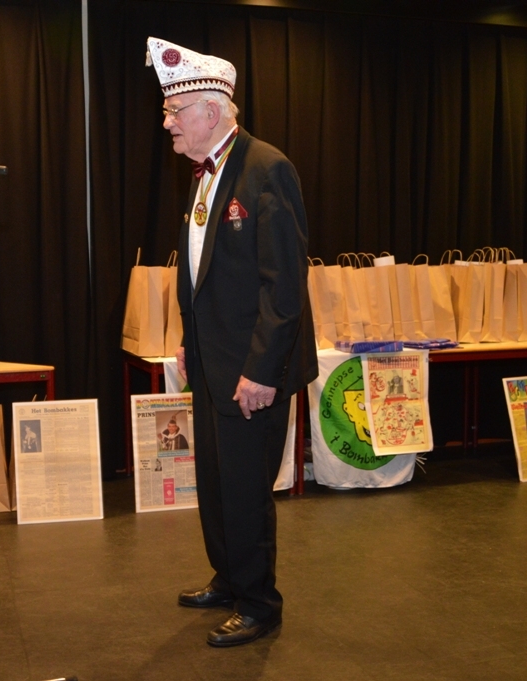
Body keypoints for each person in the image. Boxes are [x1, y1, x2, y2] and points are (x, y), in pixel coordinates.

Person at [147, 37, 317, 647]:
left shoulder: (267, 168)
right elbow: (203, 272)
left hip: (252, 367)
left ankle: (259, 603)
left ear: (212, 111)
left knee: (246, 491)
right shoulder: (203, 173)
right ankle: (229, 576)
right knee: (217, 483)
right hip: (212, 360)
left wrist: (262, 371)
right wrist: (189, 341)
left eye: (175, 111)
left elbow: (284, 284)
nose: (167, 122)